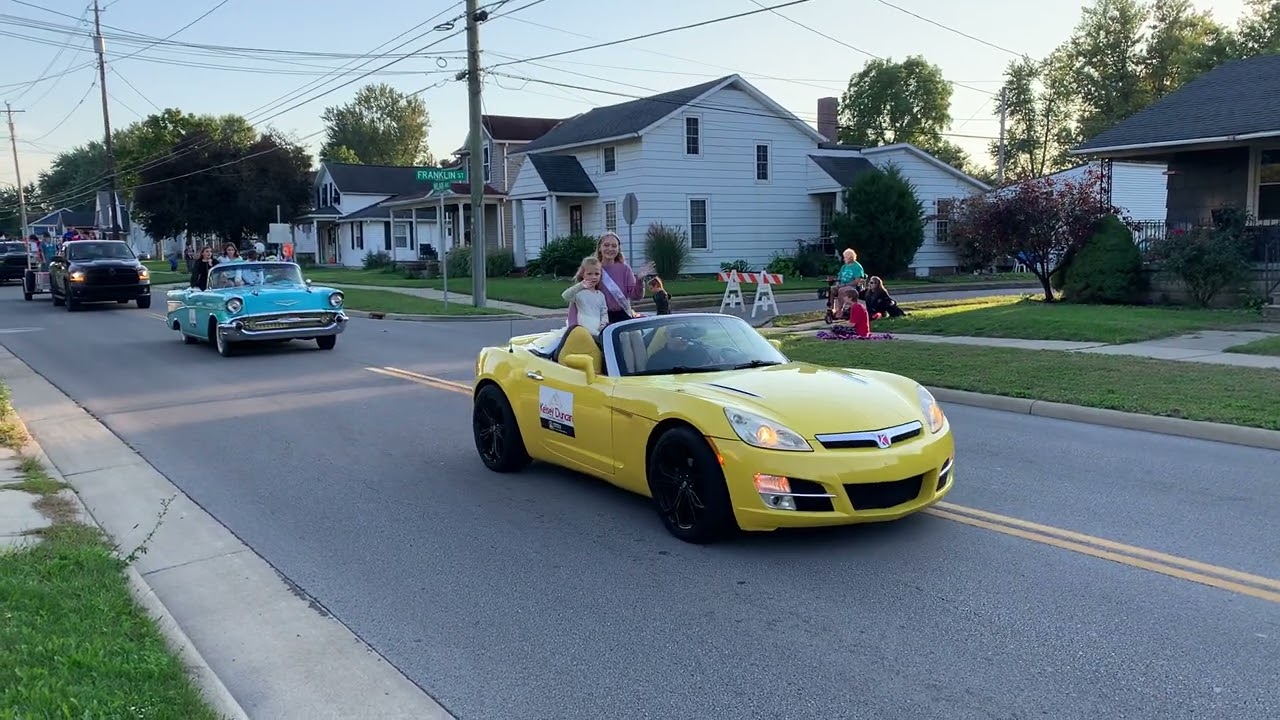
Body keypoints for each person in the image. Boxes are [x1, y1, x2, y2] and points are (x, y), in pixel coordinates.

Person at [594, 232, 654, 324]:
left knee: (635, 337)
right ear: (599, 248)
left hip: (623, 316)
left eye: (614, 246)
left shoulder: (625, 269)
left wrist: (639, 280)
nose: (610, 249)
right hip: (600, 318)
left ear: (618, 249)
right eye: (606, 245)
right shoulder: (593, 269)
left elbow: (636, 296)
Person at [562, 255, 610, 337]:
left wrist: (604, 323)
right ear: (583, 275)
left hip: (597, 329)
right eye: (589, 274)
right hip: (583, 330)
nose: (593, 277)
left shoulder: (601, 295)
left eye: (597, 274)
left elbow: (604, 312)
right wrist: (580, 285)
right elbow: (565, 295)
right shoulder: (579, 293)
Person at [834, 248, 866, 317]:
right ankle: (831, 309)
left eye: (845, 257)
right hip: (843, 285)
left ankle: (840, 310)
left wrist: (845, 285)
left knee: (841, 290)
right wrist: (837, 284)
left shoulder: (857, 267)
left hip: (853, 286)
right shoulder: (844, 266)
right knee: (832, 289)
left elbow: (857, 281)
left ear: (850, 258)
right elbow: (839, 277)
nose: (844, 259)